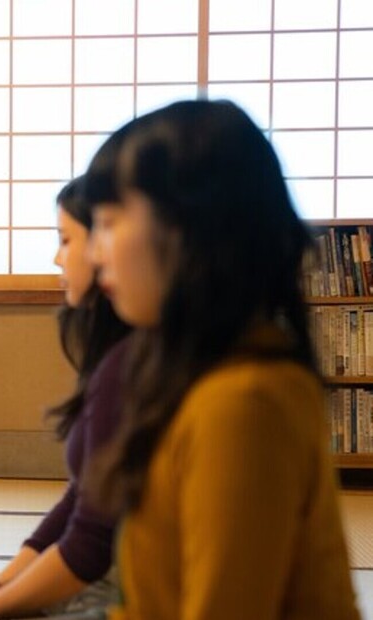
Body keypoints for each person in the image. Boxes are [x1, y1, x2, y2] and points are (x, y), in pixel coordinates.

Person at [84, 100, 360, 619]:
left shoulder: (243, 403)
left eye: (108, 222)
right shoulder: (191, 375)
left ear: (187, 228)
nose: (94, 253)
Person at [0, 176, 131, 620]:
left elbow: (90, 545)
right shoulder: (115, 353)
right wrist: (4, 582)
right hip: (97, 571)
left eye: (66, 239)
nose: (57, 257)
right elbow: (80, 502)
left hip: (124, 584)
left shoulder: (145, 365)